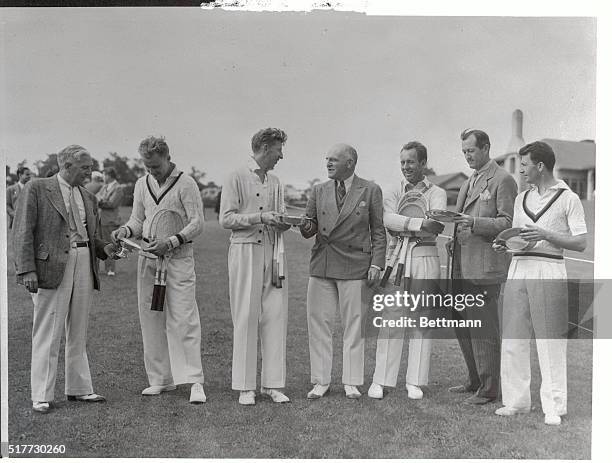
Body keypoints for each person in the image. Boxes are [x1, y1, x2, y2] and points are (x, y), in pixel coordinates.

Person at [12, 145, 115, 414]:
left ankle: (80, 389)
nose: (90, 172)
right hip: (50, 266)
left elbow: (92, 237)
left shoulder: (89, 198)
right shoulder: (36, 188)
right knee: (48, 330)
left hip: (83, 261)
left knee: (78, 329)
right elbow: (22, 231)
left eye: (90, 167)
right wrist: (27, 270)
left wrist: (105, 249)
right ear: (66, 166)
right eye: (85, 168)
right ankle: (41, 395)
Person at [493, 141, 587, 426]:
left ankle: (554, 406)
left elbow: (581, 242)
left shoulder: (568, 198)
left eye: (524, 164)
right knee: (513, 336)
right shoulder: (522, 198)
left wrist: (545, 234)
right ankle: (516, 401)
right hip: (520, 267)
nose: (521, 170)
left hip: (549, 268)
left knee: (550, 339)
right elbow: (521, 239)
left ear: (540, 166)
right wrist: (506, 245)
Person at [111, 136, 206, 404]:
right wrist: (126, 231)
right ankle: (161, 379)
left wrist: (172, 241)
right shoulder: (142, 183)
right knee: (151, 318)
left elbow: (197, 223)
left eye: (155, 166)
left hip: (178, 260)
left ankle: (194, 381)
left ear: (167, 157)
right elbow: (138, 219)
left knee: (184, 318)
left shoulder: (186, 183)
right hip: (149, 259)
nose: (151, 171)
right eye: (146, 166)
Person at [299, 143, 386, 400]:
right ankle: (321, 381)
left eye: (334, 160)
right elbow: (309, 227)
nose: (328, 164)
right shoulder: (318, 190)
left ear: (350, 163)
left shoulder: (370, 190)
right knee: (319, 324)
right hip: (323, 264)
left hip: (355, 264)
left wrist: (376, 264)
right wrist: (303, 225)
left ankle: (351, 382)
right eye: (327, 159)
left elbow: (378, 231)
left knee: (354, 326)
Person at [368, 141, 446, 400]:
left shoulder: (438, 192)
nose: (406, 167)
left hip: (425, 256)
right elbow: (387, 220)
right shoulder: (392, 190)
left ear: (423, 163)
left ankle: (415, 381)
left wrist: (410, 225)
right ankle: (382, 380)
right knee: (392, 317)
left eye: (410, 162)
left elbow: (434, 225)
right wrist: (417, 222)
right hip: (396, 258)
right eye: (402, 162)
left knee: (422, 318)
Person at [219, 128, 291, 406]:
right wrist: (261, 217)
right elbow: (226, 219)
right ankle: (246, 386)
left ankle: (273, 385)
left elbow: (280, 214)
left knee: (275, 315)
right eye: (277, 150)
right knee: (246, 316)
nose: (281, 156)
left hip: (273, 251)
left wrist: (284, 222)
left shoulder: (275, 180)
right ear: (263, 147)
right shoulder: (236, 176)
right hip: (245, 251)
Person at [448, 129, 517, 405]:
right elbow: (460, 220)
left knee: (483, 327)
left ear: (486, 148)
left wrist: (474, 224)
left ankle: (489, 389)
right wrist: (454, 240)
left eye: (471, 151)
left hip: (485, 267)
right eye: (464, 151)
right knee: (461, 322)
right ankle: (475, 379)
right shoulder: (469, 181)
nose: (467, 156)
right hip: (460, 263)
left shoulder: (503, 179)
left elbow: (507, 224)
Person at [97, 167, 124, 276]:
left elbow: (112, 204)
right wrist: (100, 200)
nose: (103, 177)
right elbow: (97, 197)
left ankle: (110, 269)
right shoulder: (105, 187)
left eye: (104, 175)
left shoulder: (118, 188)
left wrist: (99, 201)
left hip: (111, 221)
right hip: (101, 220)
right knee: (100, 245)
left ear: (109, 175)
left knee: (111, 245)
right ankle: (101, 269)